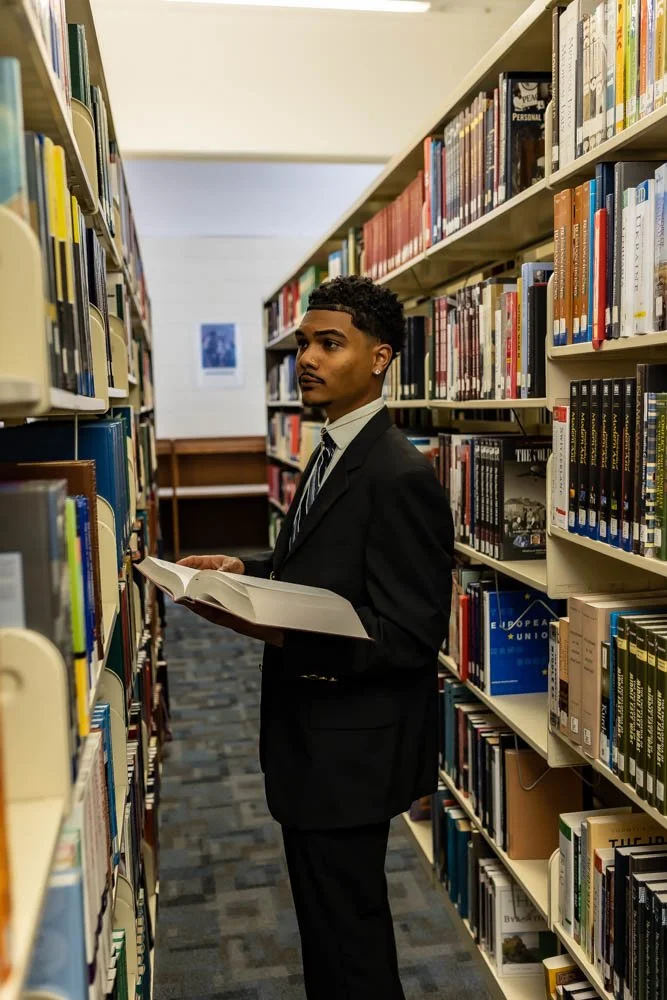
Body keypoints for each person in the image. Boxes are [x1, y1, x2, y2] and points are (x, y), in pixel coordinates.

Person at [180, 275, 454, 999]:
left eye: (330, 344)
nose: (306, 358)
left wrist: (278, 631)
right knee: (326, 932)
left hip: (349, 750)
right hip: (309, 736)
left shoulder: (397, 475)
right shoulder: (330, 447)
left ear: (379, 358)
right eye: (304, 343)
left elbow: (408, 635)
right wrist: (248, 570)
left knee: (351, 941)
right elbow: (320, 563)